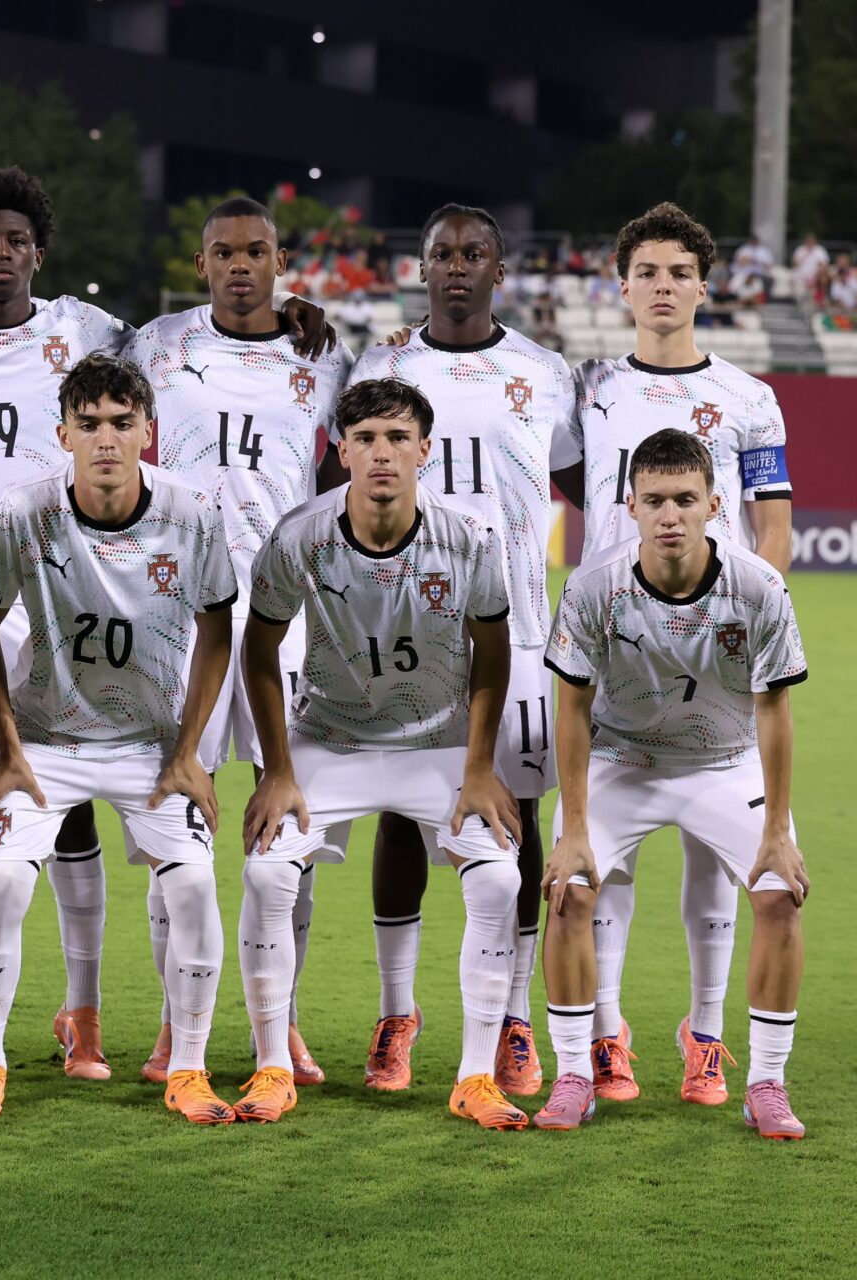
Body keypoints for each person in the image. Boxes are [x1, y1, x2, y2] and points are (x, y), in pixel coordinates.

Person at [0, 168, 333, 1083]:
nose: (1, 254)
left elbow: (179, 356)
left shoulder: (98, 331)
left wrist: (299, 313)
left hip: (199, 593)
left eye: (17, 241)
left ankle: (209, 1019)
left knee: (242, 812)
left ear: (38, 252)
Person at [549, 201, 794, 1109]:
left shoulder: (749, 398)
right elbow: (567, 484)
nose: (662, 287)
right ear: (622, 288)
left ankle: (706, 1036)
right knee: (601, 865)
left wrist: (744, 624)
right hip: (614, 642)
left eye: (679, 273)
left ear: (705, 285)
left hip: (717, 645)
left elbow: (774, 528)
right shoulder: (588, 390)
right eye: (646, 273)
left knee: (715, 861)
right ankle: (604, 1037)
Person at [0, 354, 238, 1124]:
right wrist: (7, 748)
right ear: (63, 435)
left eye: (120, 423)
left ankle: (190, 1068)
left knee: (195, 886)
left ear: (149, 432)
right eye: (89, 425)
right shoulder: (24, 511)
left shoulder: (193, 512)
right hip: (46, 741)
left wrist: (189, 751)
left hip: (151, 745)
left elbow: (218, 630)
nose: (106, 439)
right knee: (7, 880)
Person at [241, 376, 525, 1129]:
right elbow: (259, 647)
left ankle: (473, 1077)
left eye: (398, 438)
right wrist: (277, 770)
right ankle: (271, 1066)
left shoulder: (468, 539)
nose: (382, 454)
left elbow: (492, 654)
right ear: (342, 451)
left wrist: (478, 766)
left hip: (437, 742)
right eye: (365, 439)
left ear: (424, 451)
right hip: (330, 739)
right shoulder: (300, 532)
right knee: (267, 870)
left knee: (498, 882)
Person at [346, 204, 575, 1100]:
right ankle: (397, 1015)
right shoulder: (385, 365)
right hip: (407, 627)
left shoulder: (544, 373)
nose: (455, 267)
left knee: (516, 815)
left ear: (498, 271)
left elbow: (579, 473)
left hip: (516, 628)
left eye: (472, 253)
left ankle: (514, 1017)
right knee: (403, 814)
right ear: (422, 266)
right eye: (440, 252)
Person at [125, 195, 354, 1088]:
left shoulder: (322, 355)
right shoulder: (153, 346)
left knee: (282, 817)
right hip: (174, 612)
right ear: (201, 262)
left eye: (257, 252)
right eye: (224, 253)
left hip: (285, 614)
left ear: (281, 261)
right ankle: (171, 1024)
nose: (240, 266)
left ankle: (282, 1019)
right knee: (172, 817)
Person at [535, 429, 811, 1139]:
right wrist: (570, 830)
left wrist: (778, 832)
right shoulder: (594, 586)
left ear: (714, 504)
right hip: (621, 760)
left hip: (724, 760)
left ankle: (768, 1085)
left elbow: (775, 712)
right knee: (568, 890)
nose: (669, 515)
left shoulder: (758, 587)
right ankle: (573, 1074)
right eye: (654, 499)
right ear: (629, 505)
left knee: (781, 896)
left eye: (685, 499)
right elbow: (570, 708)